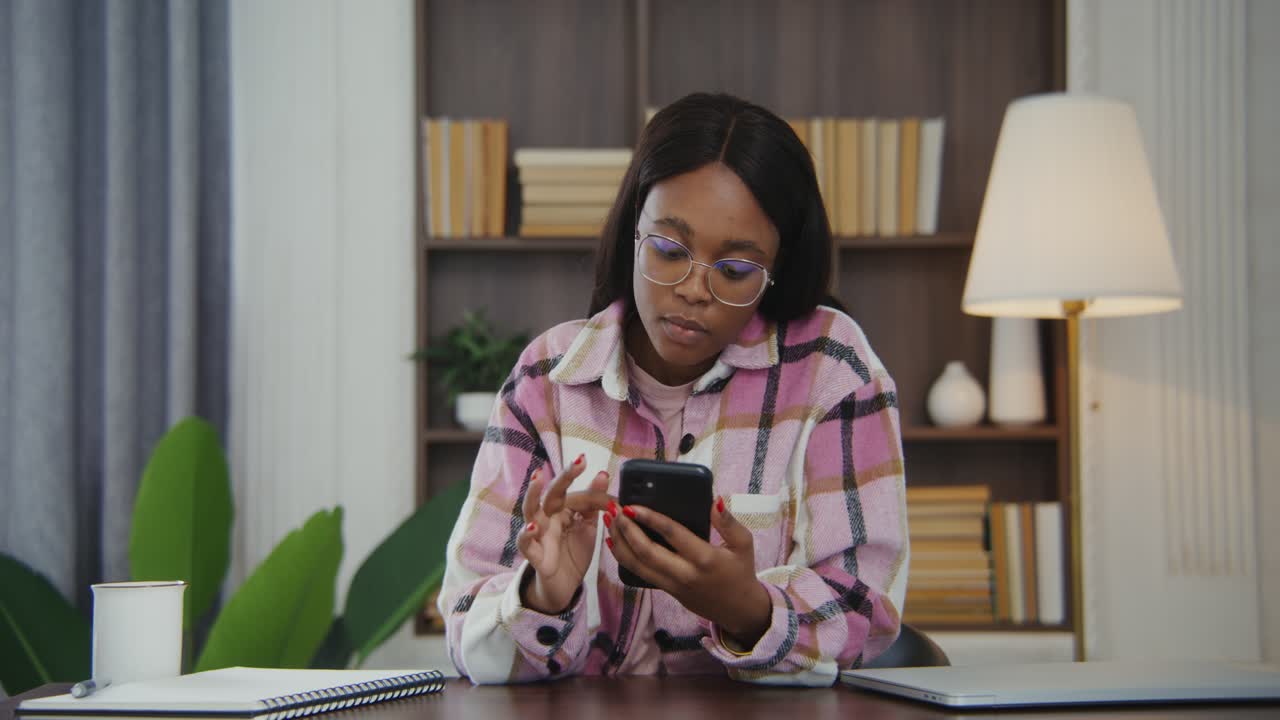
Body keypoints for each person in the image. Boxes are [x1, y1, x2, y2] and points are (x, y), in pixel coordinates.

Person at [436, 92, 907, 686]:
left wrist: (745, 608)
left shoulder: (832, 369)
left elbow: (867, 612)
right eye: (668, 250)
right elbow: (466, 631)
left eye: (735, 271)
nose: (692, 289)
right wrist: (543, 598)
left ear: (777, 271)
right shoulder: (546, 378)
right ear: (635, 229)